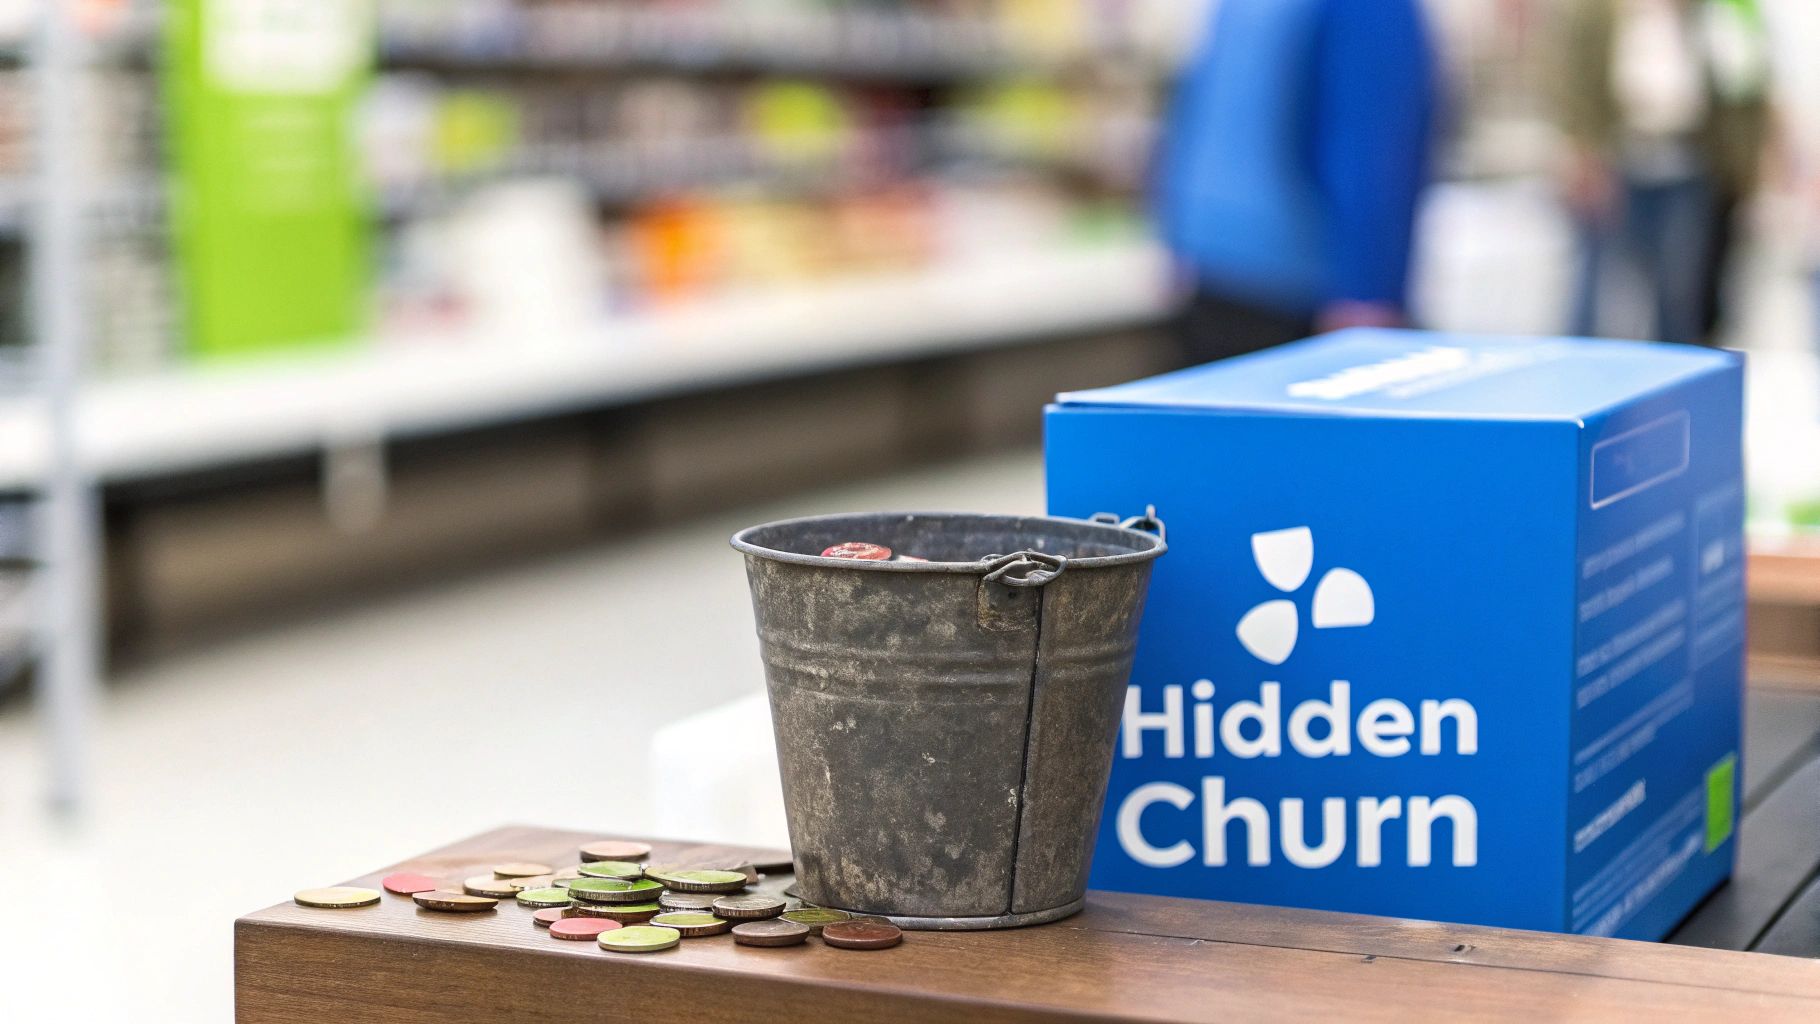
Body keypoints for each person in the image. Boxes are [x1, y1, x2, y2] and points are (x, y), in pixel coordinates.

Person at [1154, 0, 1440, 365]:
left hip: (1213, 266)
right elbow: (1373, 142)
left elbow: (1197, 116)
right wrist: (1368, 290)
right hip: (1296, 283)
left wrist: (1175, 235)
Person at [1549, 0, 1771, 347]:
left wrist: (1745, 170)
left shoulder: (1721, 11)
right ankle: (1580, 366)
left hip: (1688, 167)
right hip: (1617, 164)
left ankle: (1675, 368)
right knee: (1599, 291)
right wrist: (1581, 152)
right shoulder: (1597, 12)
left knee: (1678, 293)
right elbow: (1572, 81)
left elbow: (1745, 89)